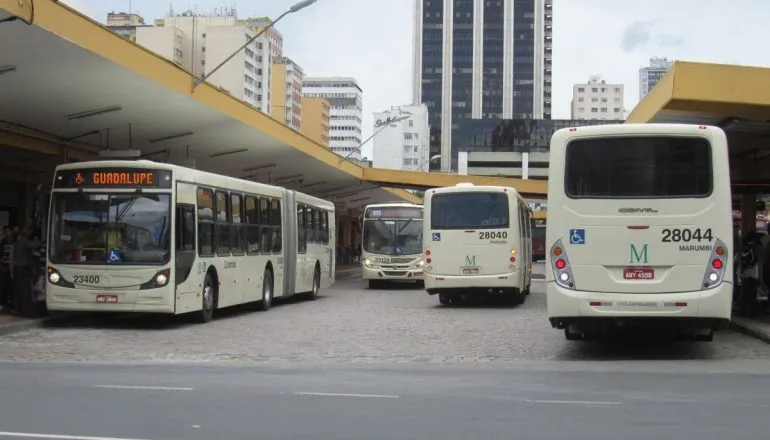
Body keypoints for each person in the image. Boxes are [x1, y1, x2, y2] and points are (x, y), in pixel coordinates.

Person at [10, 225, 41, 317]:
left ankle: (19, 309)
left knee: (19, 290)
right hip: (22, 269)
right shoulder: (24, 241)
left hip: (18, 268)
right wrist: (37, 240)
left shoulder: (18, 242)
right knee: (24, 290)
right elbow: (36, 245)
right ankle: (24, 310)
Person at [0, 226, 14, 312]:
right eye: (5, 231)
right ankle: (3, 303)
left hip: (10, 266)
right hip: (3, 265)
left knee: (10, 285)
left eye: (8, 231)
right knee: (2, 285)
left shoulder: (14, 241)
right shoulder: (3, 242)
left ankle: (9, 303)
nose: (7, 233)